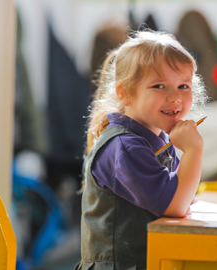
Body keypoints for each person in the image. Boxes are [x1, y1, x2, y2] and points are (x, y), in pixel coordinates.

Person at [75, 30, 207, 270]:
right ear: (125, 93)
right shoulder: (125, 147)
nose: (175, 97)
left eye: (183, 86)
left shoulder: (158, 139)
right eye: (159, 86)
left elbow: (183, 198)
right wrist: (194, 151)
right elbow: (176, 205)